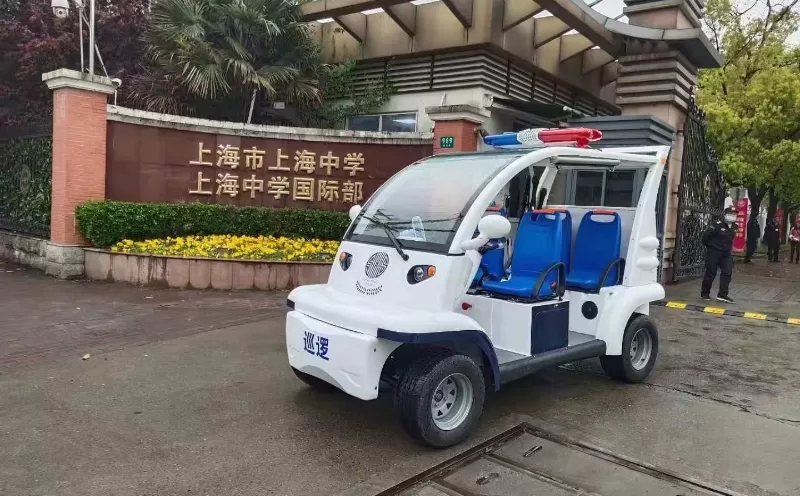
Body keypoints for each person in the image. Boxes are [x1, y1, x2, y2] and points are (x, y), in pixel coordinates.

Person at [701, 207, 738, 303]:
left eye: (734, 214)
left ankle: (723, 294)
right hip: (714, 252)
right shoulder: (717, 225)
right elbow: (705, 237)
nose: (733, 216)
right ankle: (705, 293)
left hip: (726, 253)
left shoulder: (735, 227)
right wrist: (712, 247)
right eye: (731, 214)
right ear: (725, 215)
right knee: (711, 273)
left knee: (727, 272)